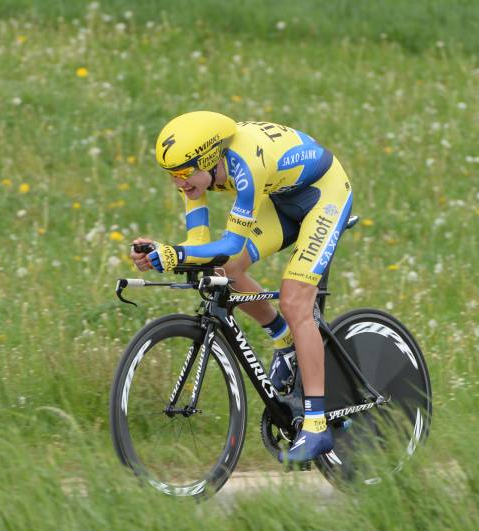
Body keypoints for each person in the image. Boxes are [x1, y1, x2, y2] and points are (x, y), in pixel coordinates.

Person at [130, 111, 353, 463]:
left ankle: (316, 424)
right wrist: (162, 254)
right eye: (172, 175)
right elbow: (201, 243)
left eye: (185, 174)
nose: (179, 184)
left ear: (208, 158)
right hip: (282, 197)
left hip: (324, 195)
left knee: (296, 300)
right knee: (225, 271)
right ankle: (285, 342)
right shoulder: (197, 175)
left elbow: (231, 243)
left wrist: (176, 255)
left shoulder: (244, 165)